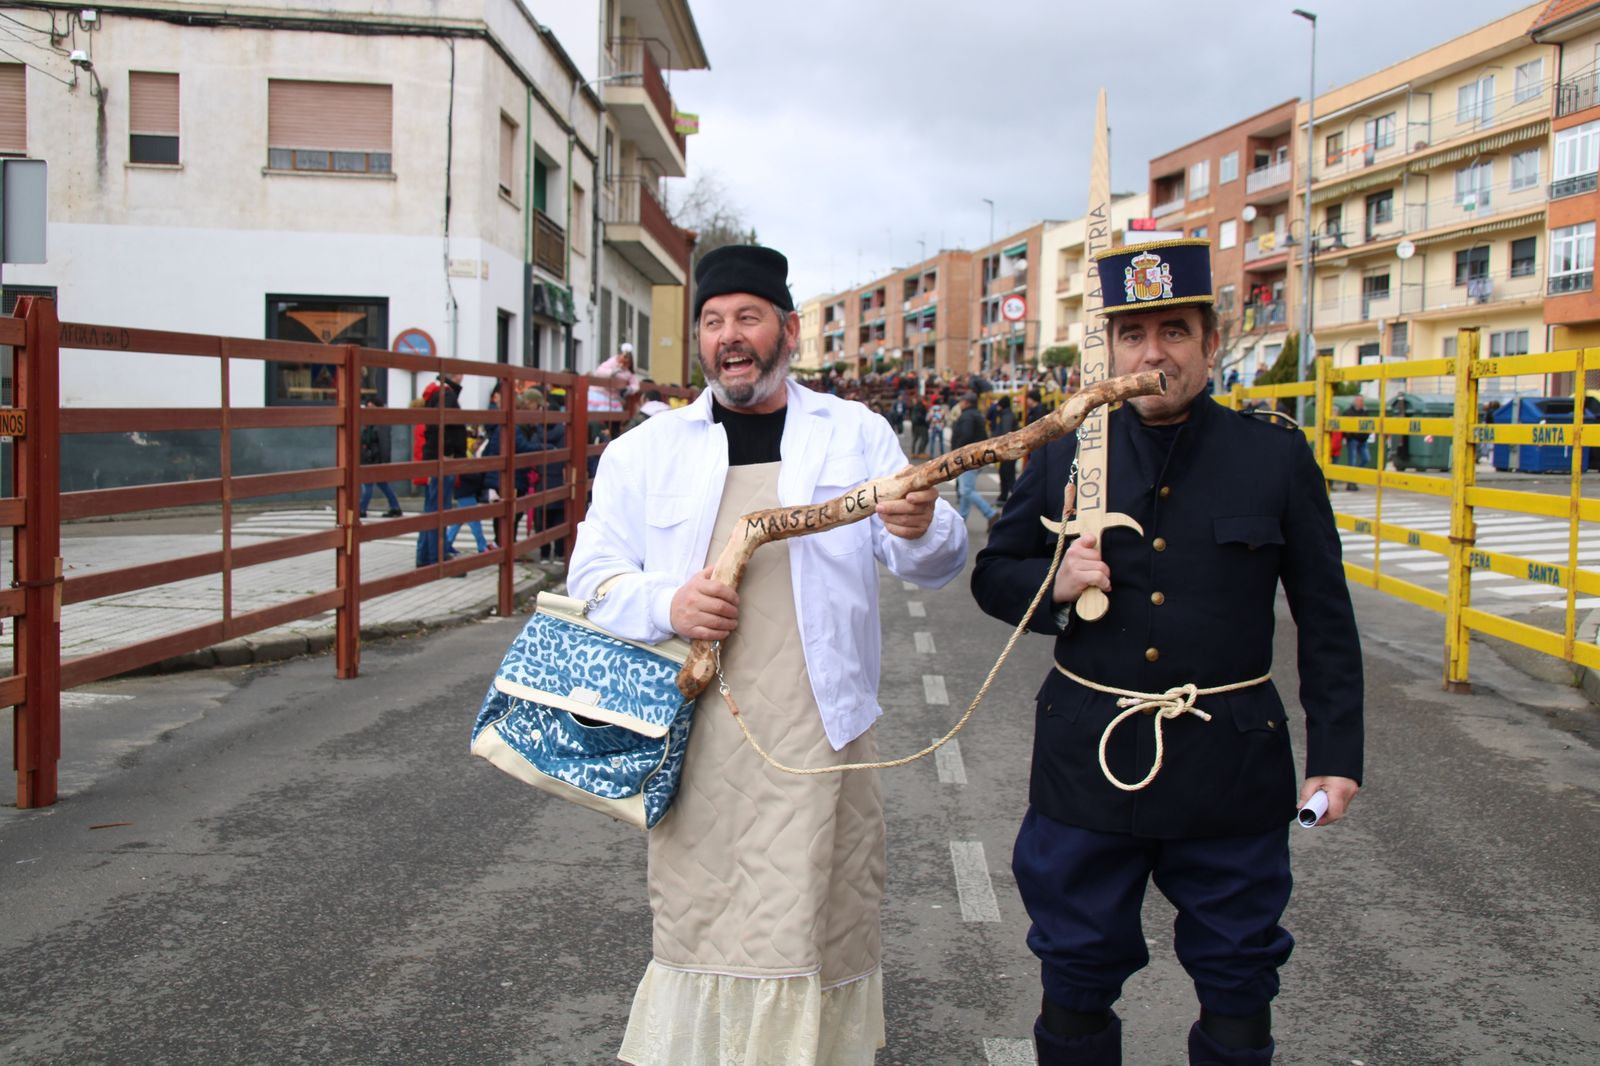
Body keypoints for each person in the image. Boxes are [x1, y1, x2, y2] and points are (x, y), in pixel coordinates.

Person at [568, 244, 968, 1066]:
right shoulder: (646, 450)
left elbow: (935, 562)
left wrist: (924, 526)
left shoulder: (855, 433)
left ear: (787, 330)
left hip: (823, 737)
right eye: (713, 323)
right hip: (701, 742)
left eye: (747, 317)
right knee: (705, 927)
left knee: (819, 929)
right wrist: (667, 603)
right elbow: (593, 579)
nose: (729, 338)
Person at [970, 238, 1363, 1066]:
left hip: (1230, 769)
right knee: (1074, 981)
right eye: (1135, 335)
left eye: (1176, 332)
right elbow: (994, 577)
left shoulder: (1275, 457)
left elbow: (1325, 614)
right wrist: (1057, 586)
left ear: (1210, 345)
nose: (1154, 354)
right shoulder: (1064, 449)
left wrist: (1337, 752)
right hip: (1086, 769)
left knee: (1239, 985)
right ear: (1109, 348)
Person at [416, 372, 466, 567]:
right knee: (438, 510)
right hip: (444, 460)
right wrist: (446, 453)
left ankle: (427, 555)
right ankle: (435, 556)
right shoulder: (446, 395)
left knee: (432, 509)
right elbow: (441, 427)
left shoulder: (436, 393)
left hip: (437, 458)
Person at [949, 390, 997, 529]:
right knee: (966, 490)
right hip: (976, 456)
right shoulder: (976, 415)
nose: (960, 403)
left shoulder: (967, 417)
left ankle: (990, 514)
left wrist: (956, 453)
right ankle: (961, 520)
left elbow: (966, 435)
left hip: (967, 458)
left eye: (962, 401)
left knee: (966, 491)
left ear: (966, 402)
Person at [358, 398, 404, 518]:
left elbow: (384, 443)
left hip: (375, 459)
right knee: (382, 484)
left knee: (368, 484)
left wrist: (384, 462)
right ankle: (395, 507)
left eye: (371, 406)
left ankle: (361, 509)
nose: (368, 409)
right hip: (369, 458)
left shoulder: (381, 422)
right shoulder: (369, 422)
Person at [588, 341, 641, 439]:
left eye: (627, 359)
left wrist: (629, 389)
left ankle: (612, 438)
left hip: (613, 398)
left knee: (614, 421)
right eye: (623, 357)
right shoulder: (611, 362)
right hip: (600, 395)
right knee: (597, 420)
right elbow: (599, 372)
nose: (625, 361)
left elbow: (635, 384)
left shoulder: (628, 372)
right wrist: (612, 372)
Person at [992, 394, 1021, 504]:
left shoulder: (1006, 416)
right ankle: (1005, 496)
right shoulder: (1007, 414)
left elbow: (1006, 432)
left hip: (1009, 450)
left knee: (1007, 474)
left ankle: (1012, 498)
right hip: (1009, 450)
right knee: (1006, 473)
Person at [1343, 394, 1371, 490]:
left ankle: (1354, 477)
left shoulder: (1365, 412)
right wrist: (1349, 437)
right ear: (1355, 401)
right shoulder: (1348, 412)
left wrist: (1366, 436)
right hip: (1353, 440)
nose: (1361, 403)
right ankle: (1351, 482)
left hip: (1363, 440)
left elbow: (1369, 425)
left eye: (1362, 401)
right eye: (1359, 401)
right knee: (1352, 462)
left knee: (1366, 459)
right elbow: (1344, 427)